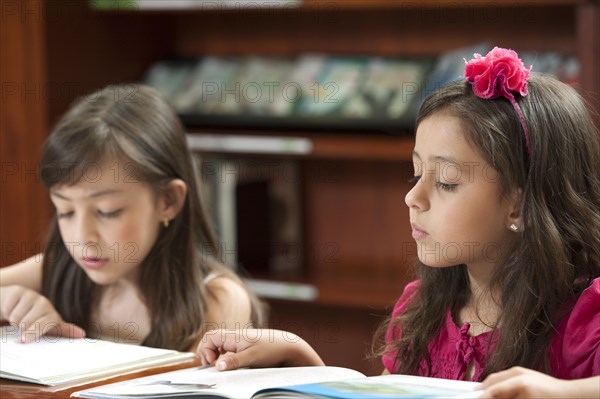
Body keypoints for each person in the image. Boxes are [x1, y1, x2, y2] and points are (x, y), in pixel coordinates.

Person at [197, 47, 600, 389]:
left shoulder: (584, 316)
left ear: (520, 205)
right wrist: (298, 357)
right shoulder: (422, 308)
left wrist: (565, 394)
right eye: (415, 173)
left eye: (445, 181)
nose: (412, 197)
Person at [0, 84, 265, 351]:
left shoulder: (217, 300)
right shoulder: (57, 269)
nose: (82, 237)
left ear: (168, 200)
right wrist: (6, 301)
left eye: (107, 211)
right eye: (65, 211)